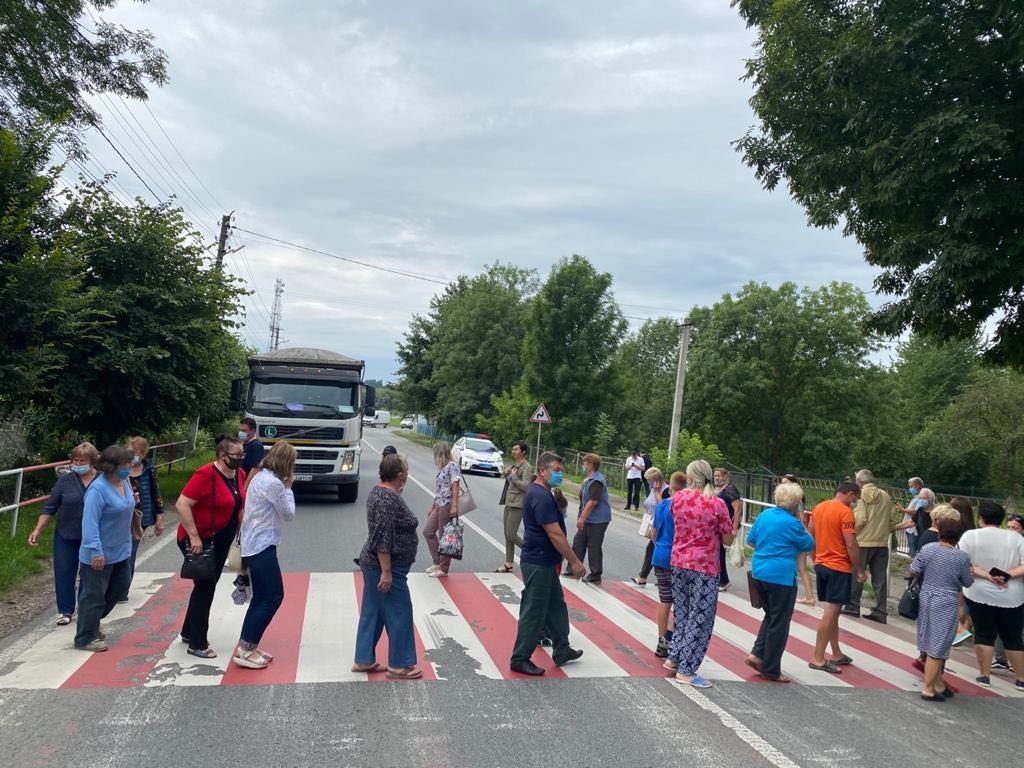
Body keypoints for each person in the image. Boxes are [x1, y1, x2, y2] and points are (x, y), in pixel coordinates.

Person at [509, 451, 586, 676]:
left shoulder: (544, 492)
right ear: (542, 471)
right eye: (556, 471)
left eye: (562, 471)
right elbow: (555, 535)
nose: (560, 475)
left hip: (546, 561)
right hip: (538, 561)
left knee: (556, 607)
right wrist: (575, 562)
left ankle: (562, 649)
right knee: (534, 611)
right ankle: (520, 658)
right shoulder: (540, 496)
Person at [664, 460, 735, 689]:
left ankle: (674, 656)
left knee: (683, 613)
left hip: (678, 561)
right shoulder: (717, 504)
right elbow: (726, 539)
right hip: (704, 566)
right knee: (701, 617)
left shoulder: (678, 499)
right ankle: (687, 670)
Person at [175, 435, 247, 659]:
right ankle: (197, 642)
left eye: (242, 454)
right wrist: (194, 537)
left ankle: (188, 631)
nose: (240, 459)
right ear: (223, 456)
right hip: (200, 538)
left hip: (222, 538)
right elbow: (182, 504)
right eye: (236, 455)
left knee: (207, 583)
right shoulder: (206, 474)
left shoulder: (238, 475)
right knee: (205, 587)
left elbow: (238, 503)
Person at [352, 453, 423, 678]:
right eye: (406, 468)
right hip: (384, 565)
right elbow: (382, 538)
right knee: (400, 612)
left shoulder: (383, 492)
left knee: (373, 612)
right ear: (400, 474)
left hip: (376, 564)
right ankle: (399, 664)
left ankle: (363, 659)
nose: (408, 472)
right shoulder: (387, 498)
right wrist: (387, 572)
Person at [232, 442, 297, 670]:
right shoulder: (274, 484)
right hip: (262, 545)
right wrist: (288, 488)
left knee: (260, 597)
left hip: (253, 544)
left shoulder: (260, 477)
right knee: (273, 596)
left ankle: (248, 644)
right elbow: (288, 514)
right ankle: (246, 649)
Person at [745, 482, 816, 682]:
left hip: (759, 571)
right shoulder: (793, 524)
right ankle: (771, 669)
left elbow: (750, 540)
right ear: (796, 504)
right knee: (780, 623)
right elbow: (809, 544)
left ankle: (756, 655)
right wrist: (802, 523)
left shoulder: (764, 515)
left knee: (770, 616)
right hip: (781, 577)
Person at [28, 442, 100, 626]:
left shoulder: (102, 480)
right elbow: (50, 507)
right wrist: (38, 529)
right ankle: (65, 611)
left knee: (89, 574)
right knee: (64, 572)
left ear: (92, 461)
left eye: (82, 460)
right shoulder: (65, 481)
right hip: (65, 534)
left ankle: (85, 609)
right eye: (75, 460)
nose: (77, 463)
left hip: (92, 537)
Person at [74, 445, 136, 652]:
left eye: (130, 463)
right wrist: (95, 551)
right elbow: (89, 523)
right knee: (93, 595)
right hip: (98, 553)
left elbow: (129, 508)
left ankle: (91, 622)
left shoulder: (124, 482)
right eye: (125, 464)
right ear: (111, 466)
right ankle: (85, 636)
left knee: (119, 588)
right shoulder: (98, 489)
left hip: (121, 549)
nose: (129, 468)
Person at [957, 500, 1024, 690]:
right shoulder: (1016, 538)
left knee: (984, 634)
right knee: (1013, 637)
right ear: (1001, 520)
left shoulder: (970, 536)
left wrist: (987, 576)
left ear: (981, 518)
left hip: (978, 592)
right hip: (1012, 596)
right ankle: (1021, 678)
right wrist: (1008, 575)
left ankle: (984, 675)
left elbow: (963, 563)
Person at [911, 518, 975, 701]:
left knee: (927, 639)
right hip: (947, 600)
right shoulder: (961, 557)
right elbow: (967, 582)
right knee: (937, 647)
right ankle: (928, 688)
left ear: (940, 533)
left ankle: (938, 683)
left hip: (927, 596)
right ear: (958, 537)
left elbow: (914, 569)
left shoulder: (928, 549)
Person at [808, 481, 867, 674]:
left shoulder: (819, 507)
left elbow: (811, 534)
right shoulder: (845, 512)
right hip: (839, 566)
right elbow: (851, 543)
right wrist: (859, 569)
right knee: (831, 611)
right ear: (849, 494)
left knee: (832, 610)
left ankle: (836, 652)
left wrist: (815, 558)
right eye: (855, 497)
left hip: (822, 564)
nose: (855, 501)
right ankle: (818, 657)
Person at [843, 469, 897, 623]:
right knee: (880, 578)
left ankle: (853, 606)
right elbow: (893, 519)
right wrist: (884, 531)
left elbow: (860, 519)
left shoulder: (860, 496)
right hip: (881, 542)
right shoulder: (886, 496)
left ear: (859, 481)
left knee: (857, 574)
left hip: (862, 542)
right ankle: (880, 610)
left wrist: (851, 533)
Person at [650, 471, 685, 657]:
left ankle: (661, 638)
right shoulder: (682, 506)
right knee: (680, 600)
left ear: (670, 486)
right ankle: (671, 638)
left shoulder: (662, 505)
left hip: (659, 555)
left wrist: (659, 547)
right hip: (677, 557)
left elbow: (653, 533)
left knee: (665, 599)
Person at [123, 436, 163, 598]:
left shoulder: (149, 469)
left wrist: (159, 518)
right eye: (130, 452)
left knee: (130, 553)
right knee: (121, 552)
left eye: (136, 453)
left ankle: (122, 590)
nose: (133, 455)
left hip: (141, 517)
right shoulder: (121, 468)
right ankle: (117, 587)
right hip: (122, 515)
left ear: (144, 453)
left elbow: (156, 493)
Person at [567, 453, 611, 584]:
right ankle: (573, 568)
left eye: (585, 463)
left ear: (591, 465)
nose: (582, 466)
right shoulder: (589, 479)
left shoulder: (597, 481)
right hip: (588, 519)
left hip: (598, 519)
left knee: (594, 546)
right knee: (578, 542)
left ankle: (595, 574)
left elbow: (593, 502)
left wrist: (582, 518)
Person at [423, 442, 460, 578]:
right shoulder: (443, 468)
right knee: (428, 531)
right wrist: (433, 507)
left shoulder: (452, 466)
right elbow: (440, 490)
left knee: (444, 536)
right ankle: (437, 561)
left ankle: (443, 568)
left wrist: (455, 505)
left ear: (440, 454)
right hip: (439, 504)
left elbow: (455, 485)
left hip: (447, 505)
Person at [496, 440, 533, 573]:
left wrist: (514, 478)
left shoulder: (527, 467)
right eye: (513, 449)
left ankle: (532, 552)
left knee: (511, 534)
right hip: (509, 501)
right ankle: (508, 564)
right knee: (507, 534)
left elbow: (527, 487)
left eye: (516, 449)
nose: (513, 451)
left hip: (518, 504)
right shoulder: (515, 465)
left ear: (523, 452)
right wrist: (508, 474)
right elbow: (510, 481)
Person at [780, 473, 815, 606]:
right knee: (800, 567)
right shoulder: (795, 499)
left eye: (785, 483)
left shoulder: (795, 501)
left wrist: (802, 532)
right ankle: (809, 596)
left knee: (800, 567)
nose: (782, 485)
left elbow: (801, 517)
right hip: (796, 533)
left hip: (795, 534)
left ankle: (808, 596)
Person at [633, 467, 670, 586]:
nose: (647, 482)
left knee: (653, 550)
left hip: (661, 525)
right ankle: (660, 576)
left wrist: (656, 492)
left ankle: (644, 577)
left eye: (649, 480)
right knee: (653, 550)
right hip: (652, 522)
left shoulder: (665, 490)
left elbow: (663, 507)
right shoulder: (654, 488)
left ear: (656, 479)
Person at [713, 468, 742, 592]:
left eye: (719, 476)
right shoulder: (718, 489)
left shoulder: (730, 489)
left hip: (726, 525)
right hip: (717, 525)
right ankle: (720, 578)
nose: (717, 478)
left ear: (725, 476)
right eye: (715, 476)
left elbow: (737, 509)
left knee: (720, 552)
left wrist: (734, 528)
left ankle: (723, 580)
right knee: (716, 551)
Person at [896, 477, 926, 556]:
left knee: (914, 552)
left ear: (918, 486)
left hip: (914, 529)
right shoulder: (917, 497)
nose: (910, 489)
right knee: (912, 550)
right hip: (910, 528)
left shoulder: (922, 498)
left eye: (911, 486)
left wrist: (903, 510)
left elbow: (917, 511)